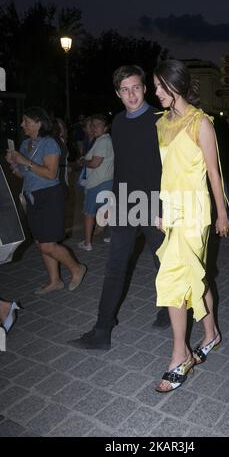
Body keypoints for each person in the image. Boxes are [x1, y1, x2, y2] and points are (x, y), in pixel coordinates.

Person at [69, 65, 170, 350]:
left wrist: (164, 207)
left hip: (154, 205)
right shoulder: (119, 124)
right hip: (125, 203)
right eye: (124, 90)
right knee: (115, 266)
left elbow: (171, 168)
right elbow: (121, 168)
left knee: (163, 262)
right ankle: (102, 329)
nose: (131, 94)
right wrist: (113, 202)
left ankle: (169, 309)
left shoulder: (161, 119)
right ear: (118, 94)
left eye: (136, 87)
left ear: (144, 88)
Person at [153, 59, 229, 393]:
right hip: (171, 211)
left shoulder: (202, 123)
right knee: (194, 275)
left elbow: (214, 173)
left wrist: (223, 213)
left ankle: (179, 355)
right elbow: (165, 171)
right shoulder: (160, 124)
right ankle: (211, 333)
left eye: (159, 86)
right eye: (155, 87)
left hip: (196, 211)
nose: (154, 93)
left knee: (172, 276)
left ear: (176, 85)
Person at [5, 106, 87, 294]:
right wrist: (15, 165)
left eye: (26, 121)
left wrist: (25, 161)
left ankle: (76, 268)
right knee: (40, 241)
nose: (21, 124)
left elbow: (51, 174)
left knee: (48, 244)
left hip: (50, 195)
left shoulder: (50, 143)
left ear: (38, 122)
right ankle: (55, 280)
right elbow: (26, 176)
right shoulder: (26, 144)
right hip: (33, 197)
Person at [77, 114, 114, 251]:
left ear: (105, 127)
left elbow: (94, 163)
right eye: (93, 125)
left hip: (97, 183)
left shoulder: (103, 141)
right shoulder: (105, 140)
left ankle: (87, 243)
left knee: (89, 213)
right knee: (106, 210)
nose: (94, 127)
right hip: (106, 181)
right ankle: (110, 236)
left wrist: (83, 162)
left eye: (98, 125)